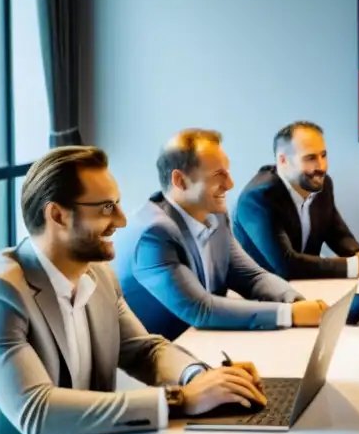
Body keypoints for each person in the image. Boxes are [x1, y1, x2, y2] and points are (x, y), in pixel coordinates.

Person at [0, 146, 266, 434]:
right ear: (57, 215)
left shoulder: (99, 276)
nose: (121, 220)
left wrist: (202, 378)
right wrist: (182, 399)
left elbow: (144, 350)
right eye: (106, 207)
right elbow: (38, 414)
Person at [113, 129, 328, 341]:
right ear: (180, 180)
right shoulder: (154, 235)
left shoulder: (215, 216)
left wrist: (295, 301)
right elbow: (201, 310)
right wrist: (290, 315)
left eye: (228, 172)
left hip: (201, 344)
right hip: (151, 364)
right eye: (219, 175)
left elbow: (253, 278)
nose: (230, 184)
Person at [233, 121, 359, 279]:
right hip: (260, 294)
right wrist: (355, 266)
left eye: (323, 155)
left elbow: (337, 233)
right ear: (283, 161)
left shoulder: (322, 185)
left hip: (304, 286)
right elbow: (286, 265)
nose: (321, 166)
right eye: (310, 158)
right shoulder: (258, 197)